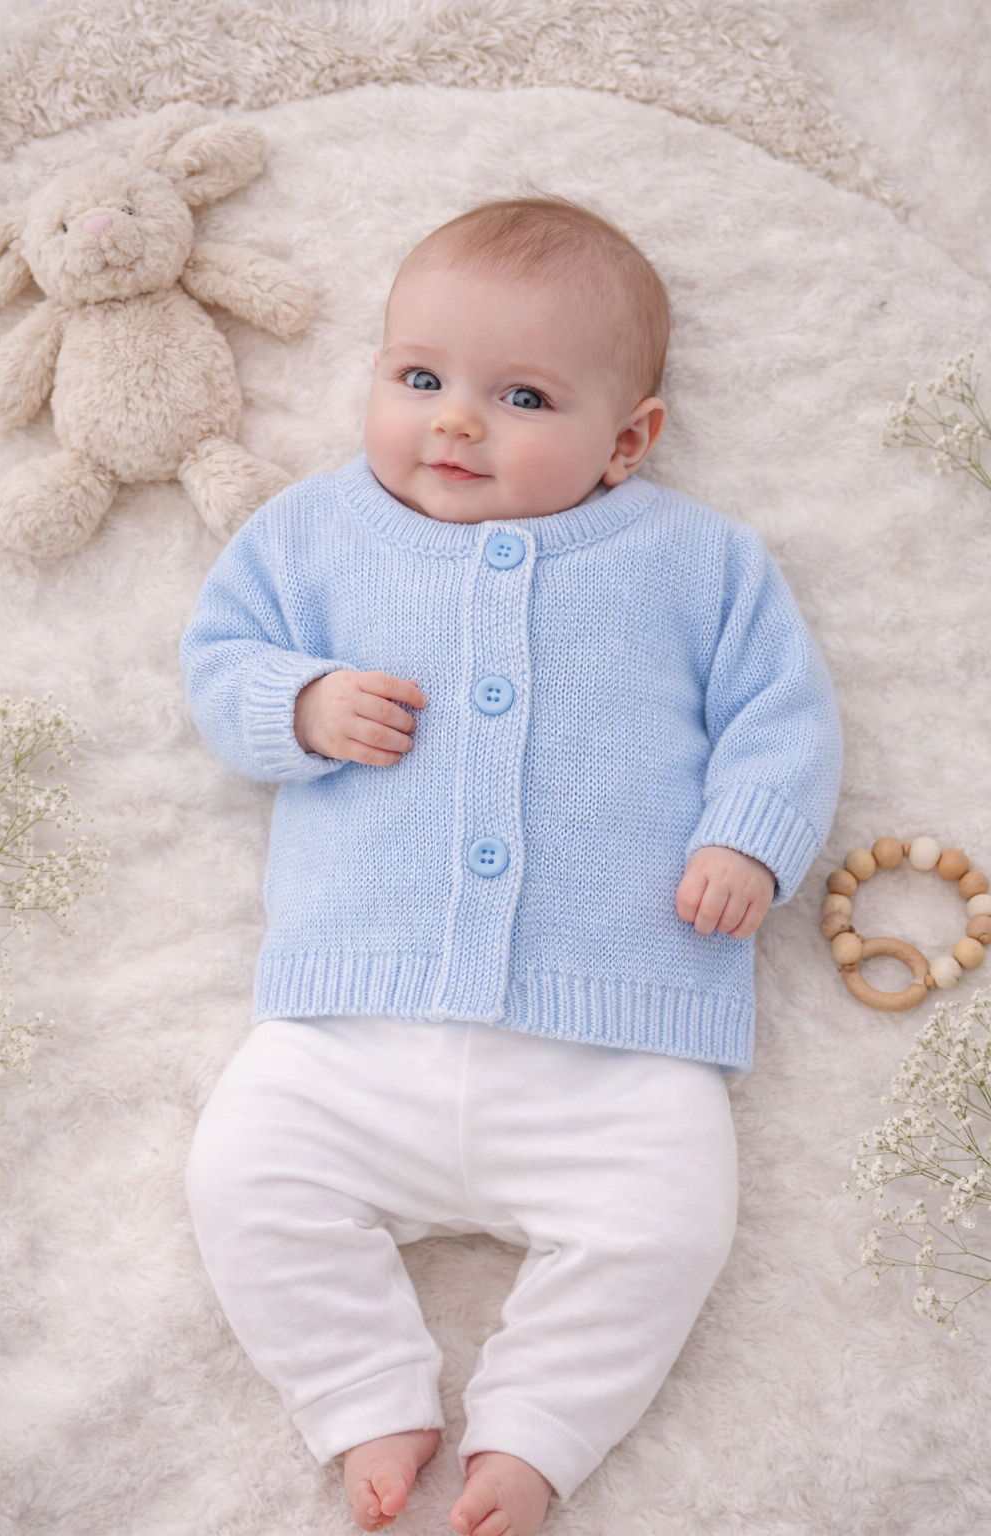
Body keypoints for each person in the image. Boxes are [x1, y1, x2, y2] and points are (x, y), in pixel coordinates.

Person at [181, 198, 842, 1536]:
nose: (456, 424)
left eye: (522, 396)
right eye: (419, 378)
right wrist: (298, 705)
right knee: (240, 1179)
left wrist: (748, 839)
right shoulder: (310, 535)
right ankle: (363, 1395)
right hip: (350, 1030)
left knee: (668, 1227)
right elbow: (218, 661)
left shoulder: (699, 562)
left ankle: (536, 1437)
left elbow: (784, 715)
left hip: (616, 1047)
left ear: (629, 439)